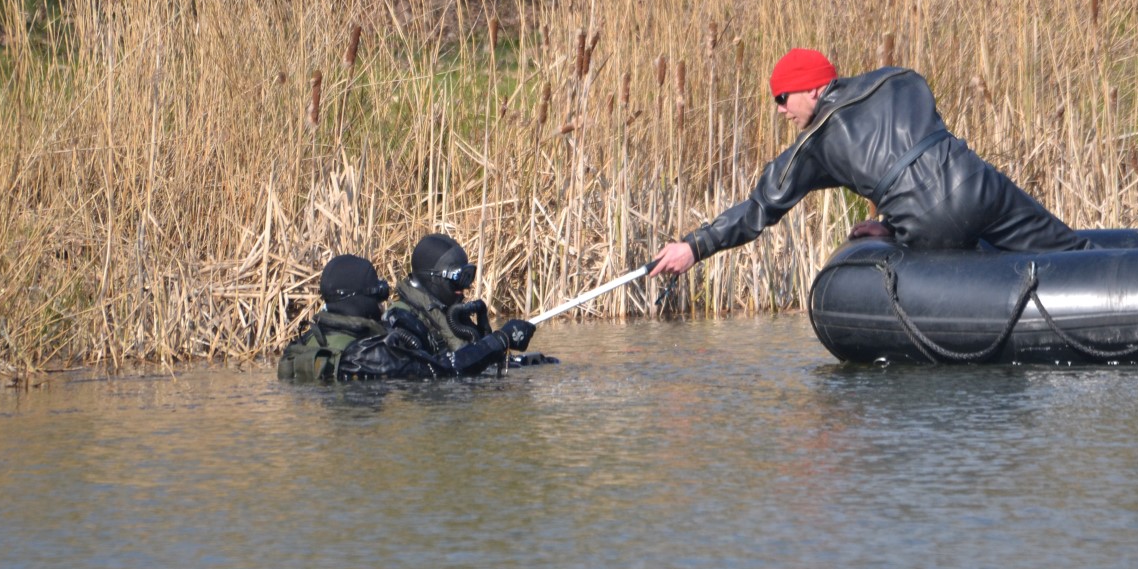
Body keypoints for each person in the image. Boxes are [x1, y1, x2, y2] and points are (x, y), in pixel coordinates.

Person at [649, 49, 1085, 278]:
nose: (780, 110)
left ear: (813, 90)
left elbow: (759, 208)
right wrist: (890, 225)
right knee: (1071, 253)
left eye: (783, 97)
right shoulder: (895, 78)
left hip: (927, 224)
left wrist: (695, 246)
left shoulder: (814, 144)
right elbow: (917, 139)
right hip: (976, 183)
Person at [339, 232, 546, 378]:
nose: (464, 287)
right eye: (457, 279)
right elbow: (437, 372)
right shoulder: (402, 321)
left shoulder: (447, 312)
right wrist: (499, 340)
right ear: (432, 278)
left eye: (468, 277)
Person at [277, 254, 393, 382]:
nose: (380, 304)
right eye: (377, 295)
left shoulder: (305, 342)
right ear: (364, 300)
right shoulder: (371, 353)